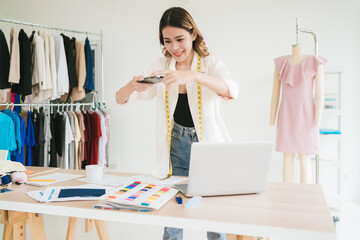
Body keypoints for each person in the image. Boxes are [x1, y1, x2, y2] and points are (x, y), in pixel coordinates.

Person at [116, 7, 238, 240]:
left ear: (193, 34)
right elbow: (121, 99)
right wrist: (132, 86)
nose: (175, 47)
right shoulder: (160, 65)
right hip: (176, 146)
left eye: (180, 39)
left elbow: (232, 90)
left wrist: (192, 76)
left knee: (213, 217)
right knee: (172, 215)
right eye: (168, 41)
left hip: (209, 148)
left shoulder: (210, 64)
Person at [270, 44, 326, 184]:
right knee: (287, 156)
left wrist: (317, 121)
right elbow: (275, 95)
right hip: (287, 115)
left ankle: (304, 196)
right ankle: (288, 194)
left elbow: (320, 94)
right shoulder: (281, 63)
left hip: (307, 116)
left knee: (304, 158)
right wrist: (272, 118)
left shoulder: (314, 62)